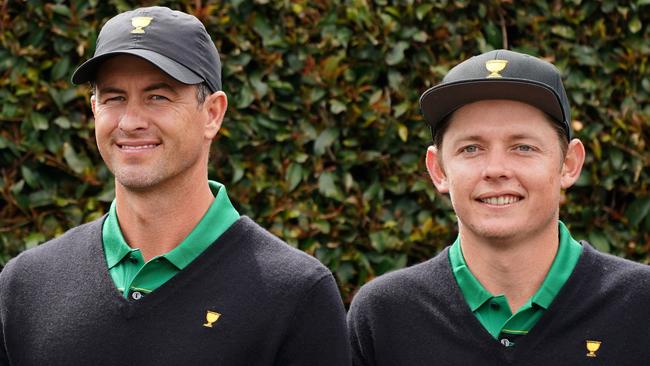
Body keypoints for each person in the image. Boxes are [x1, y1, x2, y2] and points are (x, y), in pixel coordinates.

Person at [0, 6, 350, 365]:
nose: (131, 121)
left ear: (213, 113)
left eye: (158, 96)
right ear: (94, 109)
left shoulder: (294, 294)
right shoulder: (25, 285)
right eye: (114, 97)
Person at [347, 49, 650, 365]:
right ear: (438, 169)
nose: (496, 169)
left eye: (523, 147)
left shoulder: (641, 306)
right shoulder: (385, 316)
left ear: (569, 164)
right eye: (471, 148)